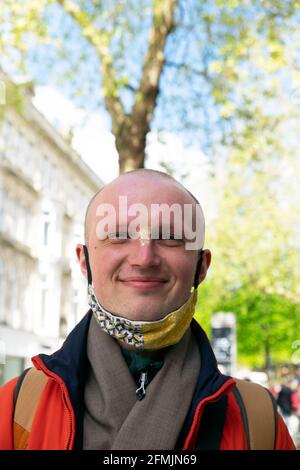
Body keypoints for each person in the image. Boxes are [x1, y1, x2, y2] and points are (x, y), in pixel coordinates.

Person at [0, 169, 295, 450]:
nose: (144, 258)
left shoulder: (258, 421)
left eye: (170, 237)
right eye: (117, 234)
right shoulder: (15, 408)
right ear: (84, 261)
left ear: (201, 266)